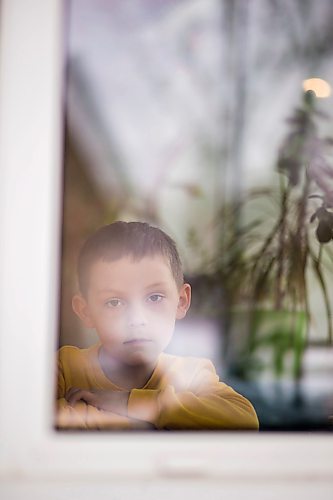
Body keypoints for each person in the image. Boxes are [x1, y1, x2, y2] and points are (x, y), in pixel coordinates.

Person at [57, 221, 259, 430]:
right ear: (85, 311)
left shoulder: (190, 374)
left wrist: (130, 402)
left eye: (154, 297)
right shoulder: (66, 367)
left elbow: (245, 419)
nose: (137, 319)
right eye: (114, 302)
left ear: (181, 301)